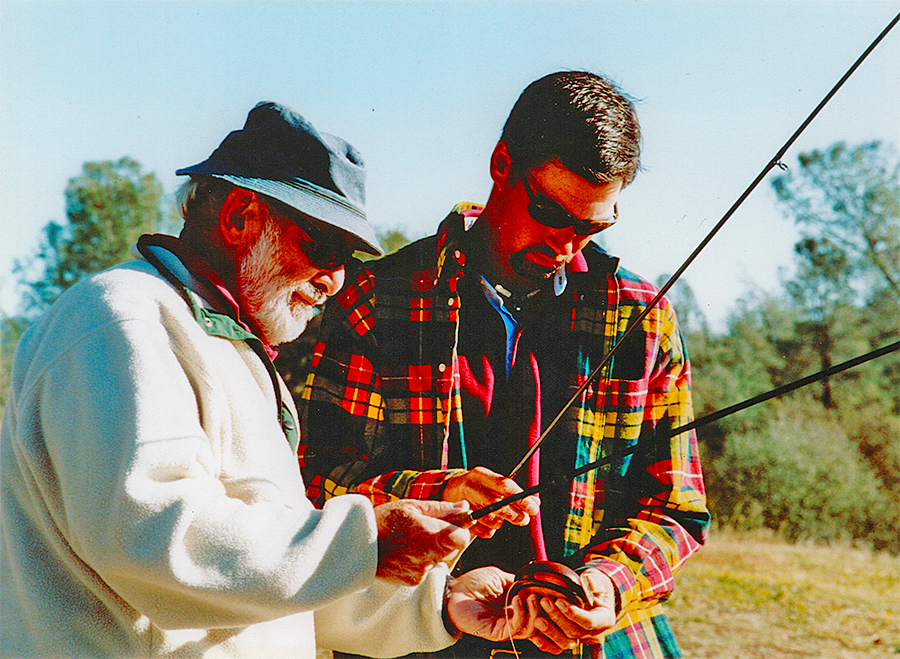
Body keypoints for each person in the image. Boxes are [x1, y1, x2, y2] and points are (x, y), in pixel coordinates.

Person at [0, 102, 536, 659]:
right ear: (238, 215)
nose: (335, 280)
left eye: (347, 257)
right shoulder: (123, 320)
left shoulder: (227, 347)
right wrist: (368, 543)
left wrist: (441, 604)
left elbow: (271, 580)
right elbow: (155, 543)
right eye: (324, 248)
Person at [295, 72, 711, 658]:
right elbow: (314, 481)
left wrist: (610, 587)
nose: (565, 243)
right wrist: (434, 489)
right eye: (548, 211)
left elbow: (675, 506)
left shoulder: (645, 317)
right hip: (414, 636)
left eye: (592, 225)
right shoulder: (374, 299)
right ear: (500, 161)